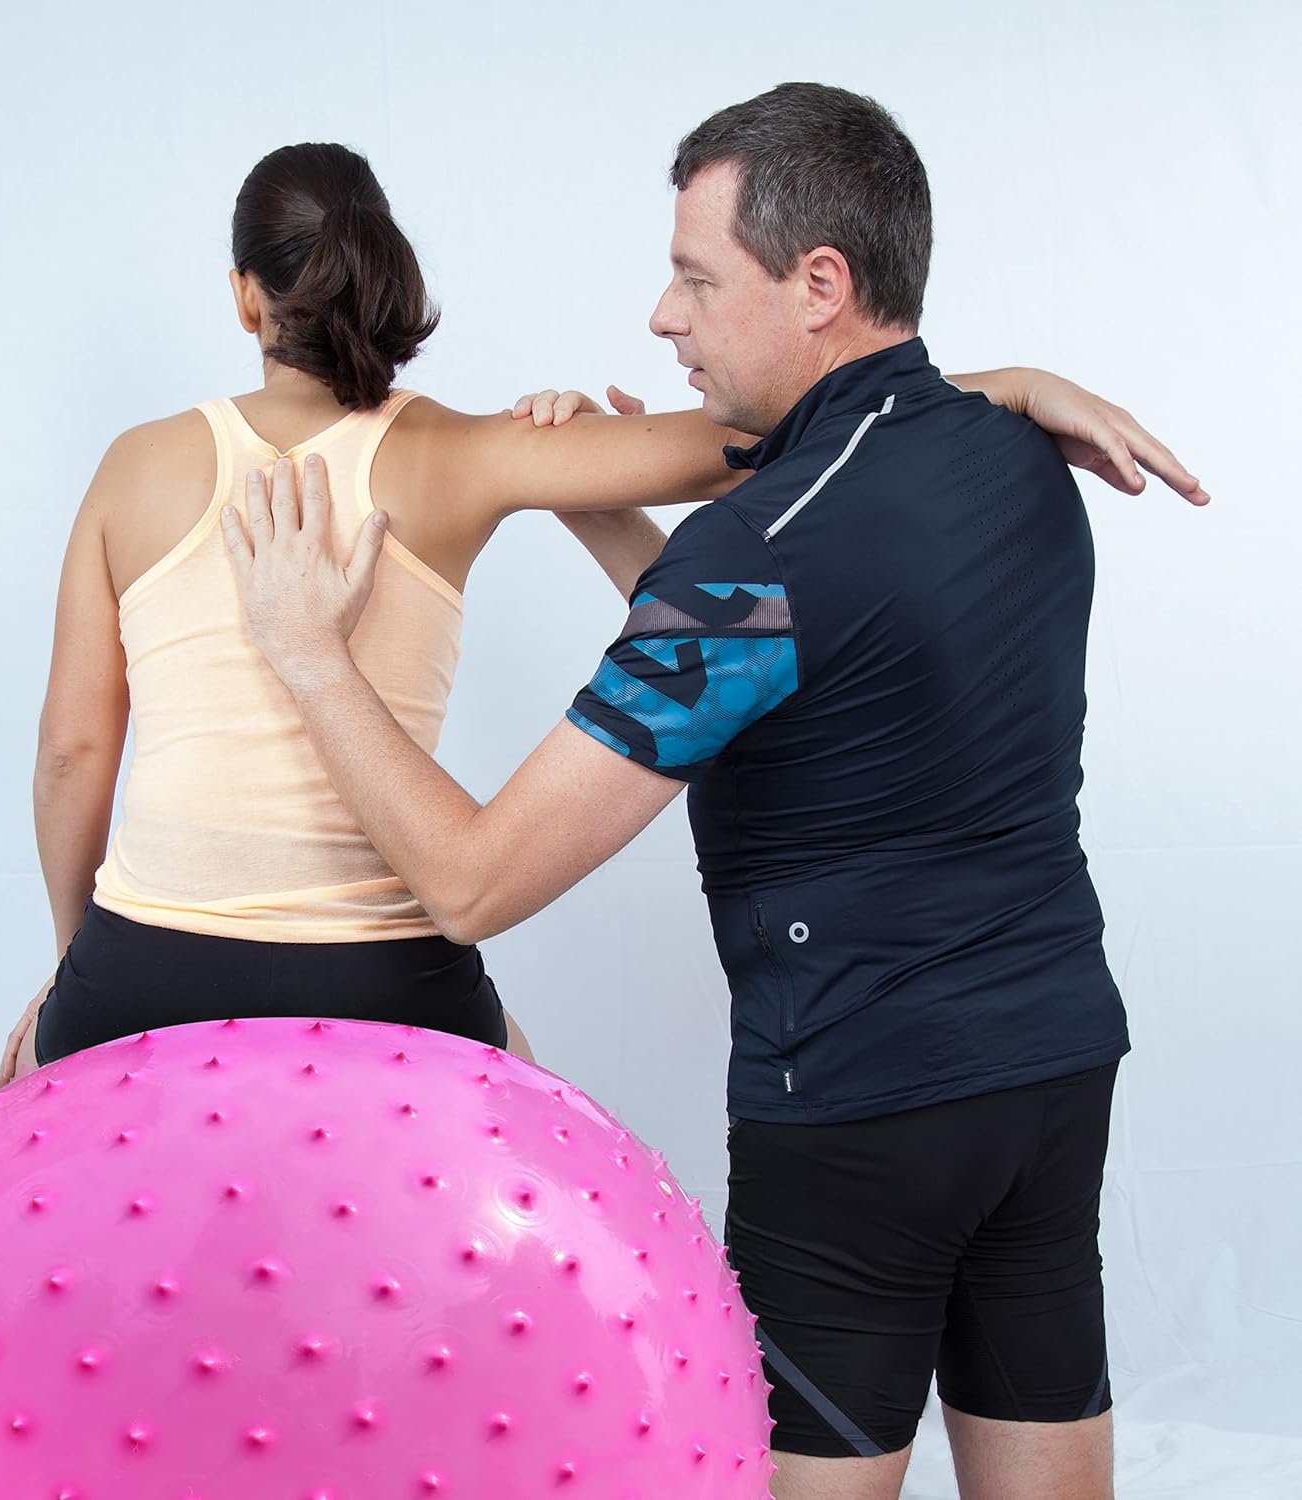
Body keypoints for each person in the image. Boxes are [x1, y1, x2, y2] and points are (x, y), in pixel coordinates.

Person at [221, 87, 1207, 1500]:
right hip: (1051, 1069)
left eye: (695, 278)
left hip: (864, 1119)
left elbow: (474, 881)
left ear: (821, 285)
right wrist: (599, 506)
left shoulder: (756, 558)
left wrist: (311, 652)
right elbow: (807, 666)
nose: (661, 318)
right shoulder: (1017, 460)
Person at [0, 137, 1156, 1092]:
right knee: (539, 1159)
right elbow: (795, 427)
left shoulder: (133, 469)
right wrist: (1000, 385)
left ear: (246, 294)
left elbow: (70, 754)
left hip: (143, 964)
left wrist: (78, 962)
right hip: (387, 975)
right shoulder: (469, 453)